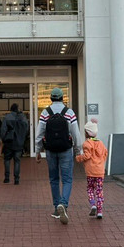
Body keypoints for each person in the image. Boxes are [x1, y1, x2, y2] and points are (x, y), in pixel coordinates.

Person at [35, 87, 81, 224]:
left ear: (51, 98)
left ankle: (56, 208)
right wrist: (78, 150)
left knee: (53, 179)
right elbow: (76, 133)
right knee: (67, 179)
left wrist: (38, 150)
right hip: (66, 149)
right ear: (62, 98)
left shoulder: (45, 113)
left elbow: (39, 133)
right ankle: (63, 204)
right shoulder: (69, 112)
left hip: (50, 150)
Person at [76, 118, 108, 219]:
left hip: (90, 171)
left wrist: (78, 158)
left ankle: (93, 204)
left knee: (90, 188)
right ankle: (100, 211)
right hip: (100, 171)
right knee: (99, 190)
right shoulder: (101, 143)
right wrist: (101, 162)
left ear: (87, 133)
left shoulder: (87, 144)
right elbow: (105, 154)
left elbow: (87, 155)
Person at [0, 103, 29, 184]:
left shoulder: (7, 117)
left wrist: (3, 139)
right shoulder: (23, 117)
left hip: (9, 141)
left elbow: (3, 130)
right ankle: (16, 179)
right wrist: (23, 137)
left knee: (7, 160)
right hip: (19, 142)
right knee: (17, 160)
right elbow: (26, 129)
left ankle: (7, 177)